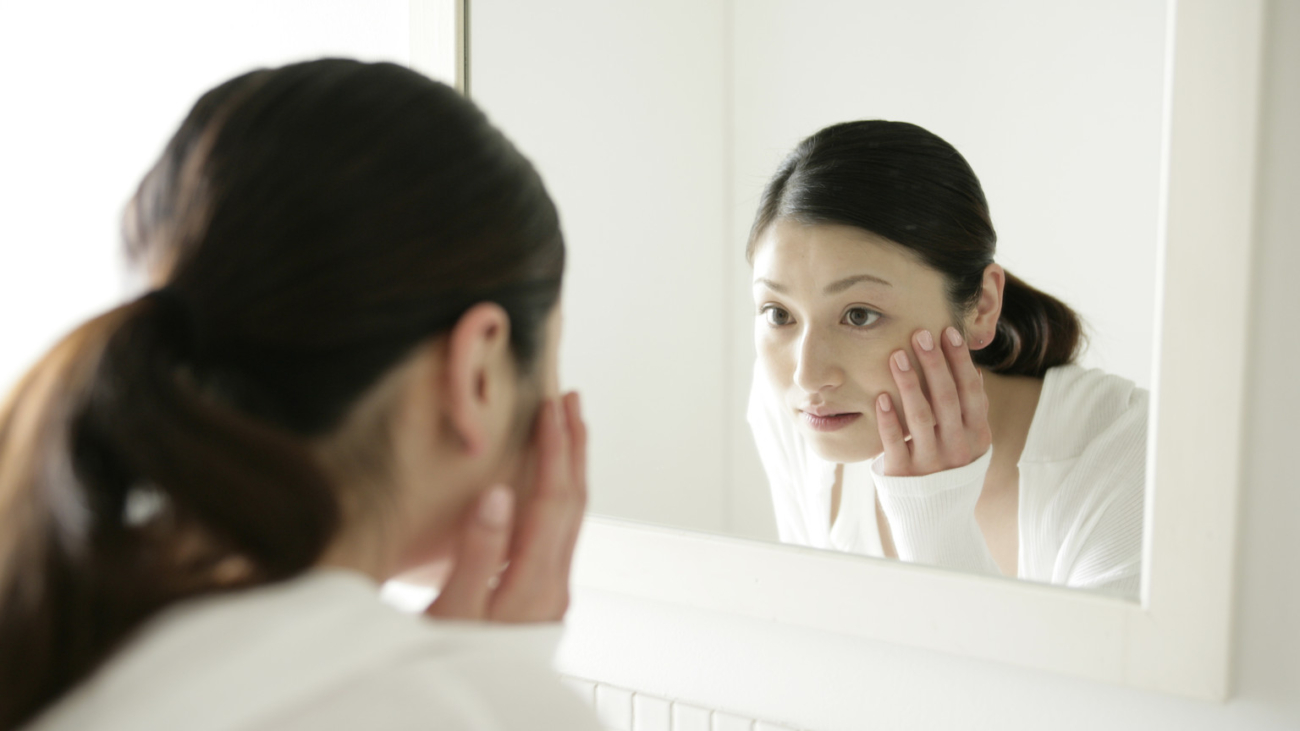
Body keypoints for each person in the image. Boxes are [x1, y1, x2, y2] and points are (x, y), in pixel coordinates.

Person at [0, 59, 600, 730]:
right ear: (479, 371)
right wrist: (504, 684)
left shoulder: (60, 631)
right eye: (551, 358)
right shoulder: (465, 708)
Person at [746, 120, 1146, 600]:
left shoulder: (1126, 452)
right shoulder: (792, 414)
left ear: (982, 307)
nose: (807, 374)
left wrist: (936, 521)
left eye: (858, 315)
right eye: (778, 313)